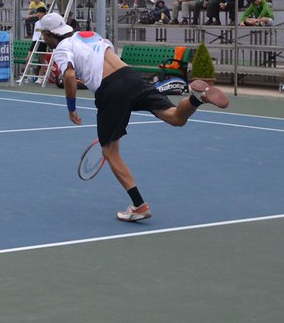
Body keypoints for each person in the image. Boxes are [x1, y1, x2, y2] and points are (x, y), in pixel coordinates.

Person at [39, 12, 229, 222]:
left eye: (43, 35)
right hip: (131, 76)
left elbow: (69, 75)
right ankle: (196, 98)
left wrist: (71, 108)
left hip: (110, 89)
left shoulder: (61, 49)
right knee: (175, 117)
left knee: (109, 151)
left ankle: (139, 205)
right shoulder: (89, 35)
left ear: (48, 34)